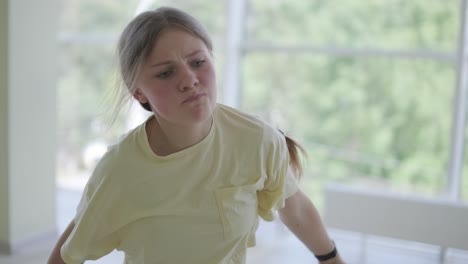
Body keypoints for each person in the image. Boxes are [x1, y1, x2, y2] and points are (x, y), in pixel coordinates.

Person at [48, 6, 345, 264]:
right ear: (138, 91)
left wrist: (331, 259)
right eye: (166, 73)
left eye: (198, 62)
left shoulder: (256, 139)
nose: (189, 80)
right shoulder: (119, 170)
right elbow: (69, 253)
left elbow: (295, 206)